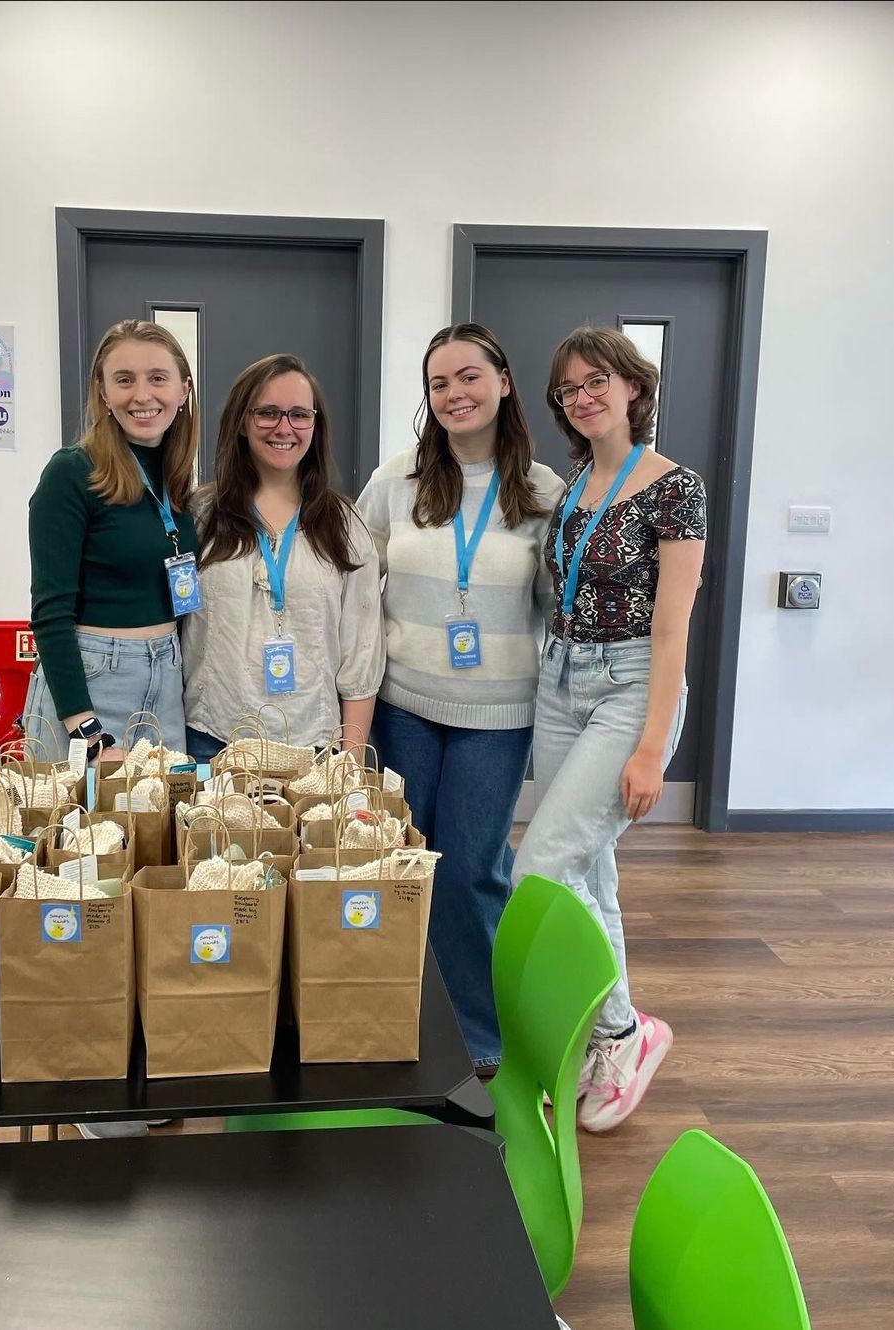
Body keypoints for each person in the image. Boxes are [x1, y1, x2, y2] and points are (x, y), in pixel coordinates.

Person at [512, 326, 707, 1132]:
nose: (584, 396)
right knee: (590, 869)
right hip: (560, 680)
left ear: (633, 385)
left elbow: (672, 633)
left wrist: (653, 748)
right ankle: (606, 1037)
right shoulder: (570, 486)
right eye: (568, 389)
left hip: (629, 687)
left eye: (598, 380)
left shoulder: (674, 489)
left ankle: (624, 1030)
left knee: (539, 867)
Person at [357, 323, 565, 1074]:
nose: (454, 395)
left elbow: (560, 609)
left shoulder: (544, 492)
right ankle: (404, 1017)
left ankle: (482, 1041)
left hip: (499, 716)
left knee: (473, 870)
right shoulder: (396, 480)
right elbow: (354, 582)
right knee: (409, 867)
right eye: (439, 383)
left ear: (503, 382)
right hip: (405, 705)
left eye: (469, 377)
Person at [181, 353, 383, 760]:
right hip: (210, 738)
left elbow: (362, 650)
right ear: (241, 421)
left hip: (314, 746)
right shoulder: (199, 515)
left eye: (299, 415)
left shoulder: (345, 525)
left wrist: (353, 758)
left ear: (315, 424)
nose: (284, 428)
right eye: (268, 413)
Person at [25, 319, 200, 767]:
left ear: (183, 389)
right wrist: (86, 728)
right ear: (102, 392)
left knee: (157, 833)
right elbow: (50, 613)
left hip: (166, 674)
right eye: (124, 380)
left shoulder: (177, 479)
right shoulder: (72, 472)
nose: (142, 395)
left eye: (157, 378)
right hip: (93, 679)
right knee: (75, 833)